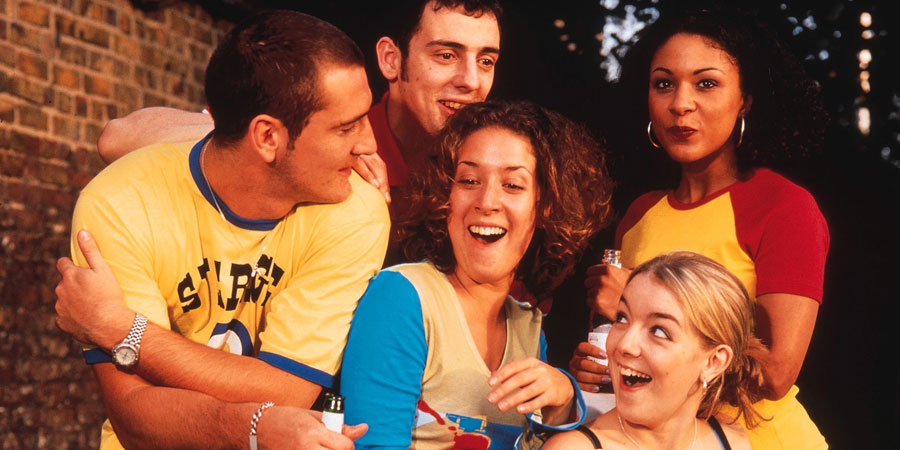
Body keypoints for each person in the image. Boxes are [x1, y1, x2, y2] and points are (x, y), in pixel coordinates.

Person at [53, 10, 390, 449]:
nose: (368, 145)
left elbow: (289, 389)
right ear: (268, 137)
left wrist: (122, 329)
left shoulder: (354, 210)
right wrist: (255, 425)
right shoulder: (120, 202)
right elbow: (134, 415)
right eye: (346, 127)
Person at [570, 6, 829, 449]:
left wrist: (640, 301)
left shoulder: (784, 208)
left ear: (745, 99)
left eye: (706, 83)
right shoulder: (638, 215)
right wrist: (600, 365)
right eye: (663, 84)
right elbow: (645, 366)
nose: (680, 103)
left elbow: (776, 375)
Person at [339, 100, 614, 449]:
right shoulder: (402, 297)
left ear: (545, 207)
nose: (487, 201)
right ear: (445, 196)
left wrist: (562, 396)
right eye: (469, 180)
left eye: (513, 185)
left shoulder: (528, 328)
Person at [547, 251, 760, 450]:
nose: (625, 345)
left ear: (714, 362)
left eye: (659, 331)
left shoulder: (731, 440)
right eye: (622, 318)